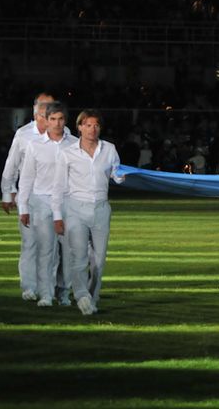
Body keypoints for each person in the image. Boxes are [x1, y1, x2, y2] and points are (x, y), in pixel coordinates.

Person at [52, 109, 124, 315]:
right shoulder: (67, 153)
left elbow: (116, 173)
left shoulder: (109, 149)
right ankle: (82, 296)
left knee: (99, 261)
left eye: (96, 125)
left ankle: (92, 295)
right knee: (79, 257)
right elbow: (58, 187)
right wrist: (57, 216)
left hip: (101, 208)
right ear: (80, 127)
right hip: (75, 208)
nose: (93, 129)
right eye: (88, 125)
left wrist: (121, 177)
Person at [17, 102, 77, 307]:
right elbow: (26, 179)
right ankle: (45, 294)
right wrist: (23, 207)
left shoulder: (75, 144)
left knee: (69, 252)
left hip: (68, 203)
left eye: (61, 119)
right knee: (45, 250)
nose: (57, 123)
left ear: (65, 121)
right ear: (45, 120)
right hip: (41, 201)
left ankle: (64, 292)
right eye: (53, 119)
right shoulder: (35, 146)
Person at [0, 92, 55, 301]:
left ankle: (48, 288)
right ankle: (30, 287)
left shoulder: (64, 132)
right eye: (44, 106)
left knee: (54, 246)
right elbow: (11, 165)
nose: (48, 110)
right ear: (35, 110)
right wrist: (8, 192)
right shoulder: (23, 134)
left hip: (56, 197)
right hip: (29, 195)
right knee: (30, 242)